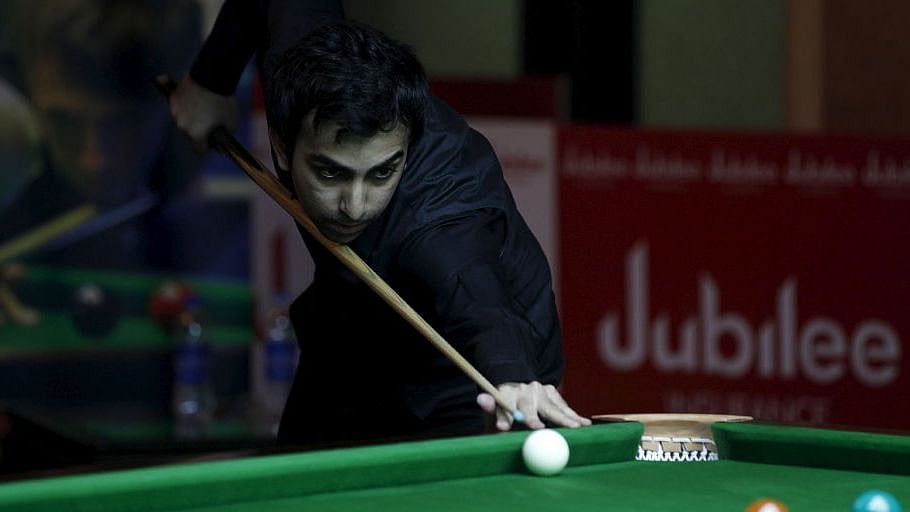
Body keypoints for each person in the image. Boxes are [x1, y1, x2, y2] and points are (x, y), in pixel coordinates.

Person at [174, 12, 590, 445]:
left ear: (406, 148)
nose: (354, 206)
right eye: (330, 173)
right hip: (357, 324)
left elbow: (474, 291)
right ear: (281, 146)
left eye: (381, 173)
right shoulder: (301, 72)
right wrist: (211, 80)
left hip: (464, 375)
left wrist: (513, 375)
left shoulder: (439, 221)